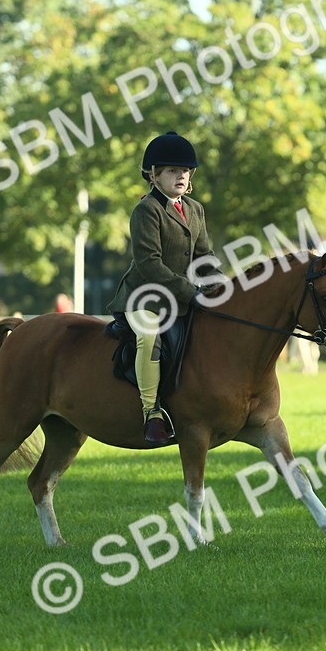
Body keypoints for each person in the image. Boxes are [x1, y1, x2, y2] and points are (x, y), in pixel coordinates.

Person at [106, 131, 214, 445]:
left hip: (183, 296)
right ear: (153, 176)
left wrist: (219, 285)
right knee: (149, 336)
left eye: (184, 171)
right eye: (171, 171)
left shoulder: (195, 209)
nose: (180, 175)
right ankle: (151, 412)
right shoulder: (146, 211)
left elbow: (204, 254)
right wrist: (191, 293)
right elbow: (149, 264)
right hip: (144, 298)